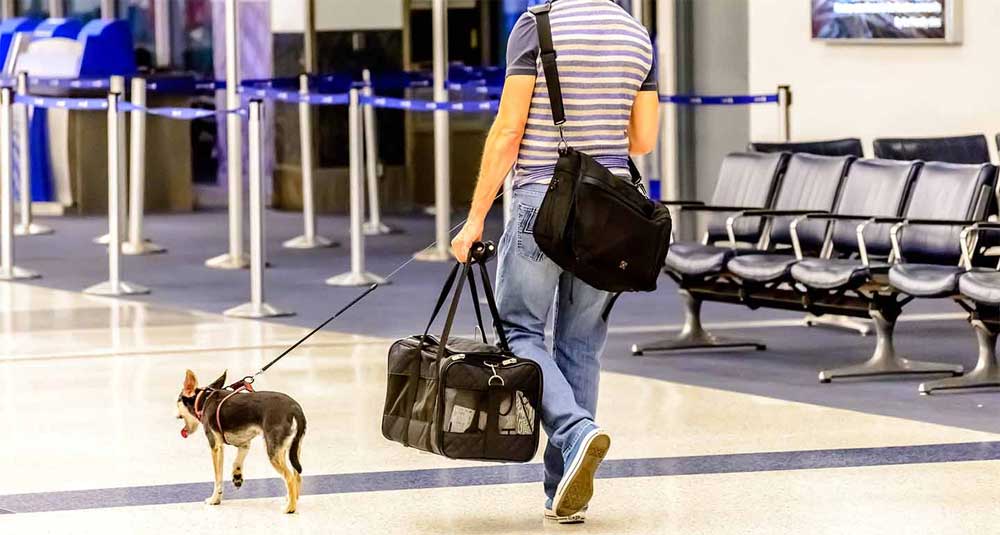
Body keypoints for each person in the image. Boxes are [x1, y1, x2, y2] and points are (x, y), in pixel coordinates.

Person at [451, 0, 660, 525]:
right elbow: (643, 139)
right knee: (582, 343)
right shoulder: (636, 34)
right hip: (610, 211)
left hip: (541, 201)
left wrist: (475, 217)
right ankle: (562, 492)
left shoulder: (535, 25)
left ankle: (574, 430)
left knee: (518, 330)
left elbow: (509, 130)